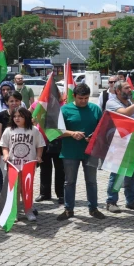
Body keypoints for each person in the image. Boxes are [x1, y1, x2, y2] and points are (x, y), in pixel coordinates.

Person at [57, 84, 106, 221]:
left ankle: (93, 208)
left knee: (91, 181)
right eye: (80, 98)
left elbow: (102, 129)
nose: (84, 101)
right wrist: (72, 133)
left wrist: (94, 136)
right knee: (69, 182)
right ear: (74, 96)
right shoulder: (65, 110)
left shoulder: (95, 109)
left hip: (90, 152)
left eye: (86, 98)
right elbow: (56, 132)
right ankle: (68, 209)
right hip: (70, 152)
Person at [104, 80, 134, 213]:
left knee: (132, 173)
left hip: (133, 142)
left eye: (130, 88)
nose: (130, 90)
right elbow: (125, 113)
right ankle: (111, 201)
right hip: (118, 142)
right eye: (127, 88)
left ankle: (131, 200)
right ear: (118, 91)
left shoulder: (131, 102)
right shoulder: (112, 102)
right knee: (117, 174)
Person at [0, 107, 45, 221]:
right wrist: (5, 155)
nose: (17, 118)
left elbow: (40, 145)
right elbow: (4, 146)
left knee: (27, 188)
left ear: (26, 117)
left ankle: (28, 211)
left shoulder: (34, 130)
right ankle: (14, 212)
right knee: (15, 189)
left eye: (20, 116)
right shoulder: (8, 130)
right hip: (13, 165)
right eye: (15, 116)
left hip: (28, 165)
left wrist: (39, 156)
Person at [32, 98, 65, 206]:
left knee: (60, 169)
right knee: (44, 168)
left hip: (57, 139)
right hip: (42, 141)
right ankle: (45, 193)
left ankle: (61, 194)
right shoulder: (39, 103)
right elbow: (30, 113)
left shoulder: (62, 104)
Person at [0, 91, 23, 191]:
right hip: (5, 152)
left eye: (16, 100)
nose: (14, 103)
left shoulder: (26, 115)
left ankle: (20, 201)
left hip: (21, 152)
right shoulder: (1, 115)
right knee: (7, 177)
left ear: (20, 101)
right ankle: (7, 201)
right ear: (6, 102)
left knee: (21, 178)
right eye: (11, 101)